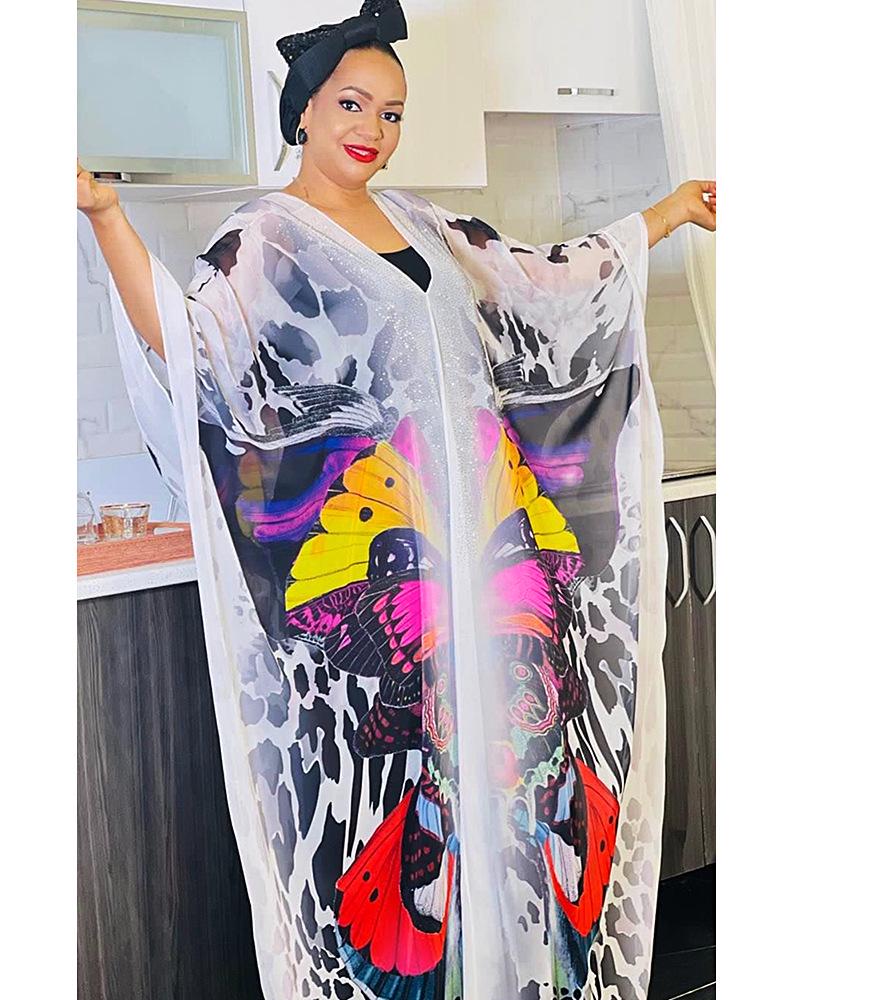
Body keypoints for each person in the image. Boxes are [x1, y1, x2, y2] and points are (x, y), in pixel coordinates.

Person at [77, 3, 715, 999]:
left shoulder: (426, 222)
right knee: (401, 797)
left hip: (486, 565)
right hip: (390, 583)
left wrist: (663, 215)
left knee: (508, 771)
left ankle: (505, 976)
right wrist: (107, 217)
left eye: (391, 111)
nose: (371, 128)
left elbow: (543, 282)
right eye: (350, 104)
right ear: (303, 111)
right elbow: (189, 344)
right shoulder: (266, 237)